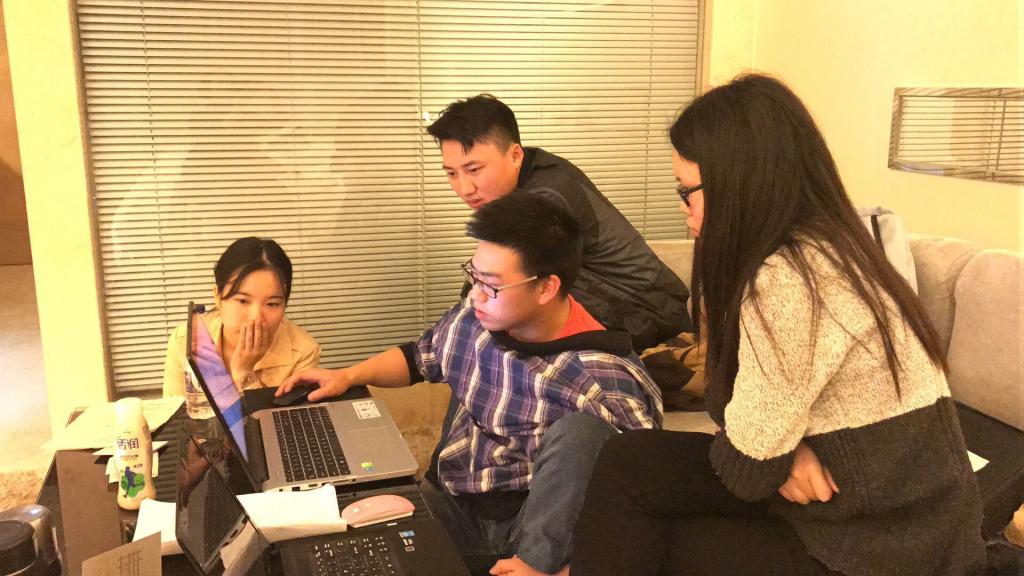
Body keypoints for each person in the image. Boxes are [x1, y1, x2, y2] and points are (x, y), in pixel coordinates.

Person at [568, 74, 987, 576]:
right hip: (879, 510)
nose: (683, 211)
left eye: (686, 192)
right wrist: (785, 452)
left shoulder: (791, 280)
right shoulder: (832, 248)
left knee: (646, 513)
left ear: (740, 183)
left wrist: (775, 457)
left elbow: (747, 467)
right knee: (630, 462)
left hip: (882, 544)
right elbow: (732, 410)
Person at [278, 193, 662, 576]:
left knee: (580, 433)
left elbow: (643, 503)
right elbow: (420, 357)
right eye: (473, 275)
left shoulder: (604, 376)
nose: (476, 294)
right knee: (335, 545)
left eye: (491, 285)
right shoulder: (475, 319)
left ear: (546, 287)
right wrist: (347, 376)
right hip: (455, 504)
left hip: (534, 533)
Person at [427, 94, 691, 352]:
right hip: (624, 301)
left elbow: (497, 282)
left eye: (474, 170)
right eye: (451, 173)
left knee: (518, 294)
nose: (465, 188)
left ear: (515, 155)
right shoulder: (526, 173)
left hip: (650, 309)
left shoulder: (547, 195)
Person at [163, 237, 320, 396]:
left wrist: (244, 373)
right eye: (243, 301)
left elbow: (286, 413)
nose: (256, 317)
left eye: (272, 304)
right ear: (217, 296)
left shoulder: (303, 352)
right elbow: (174, 409)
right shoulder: (186, 340)